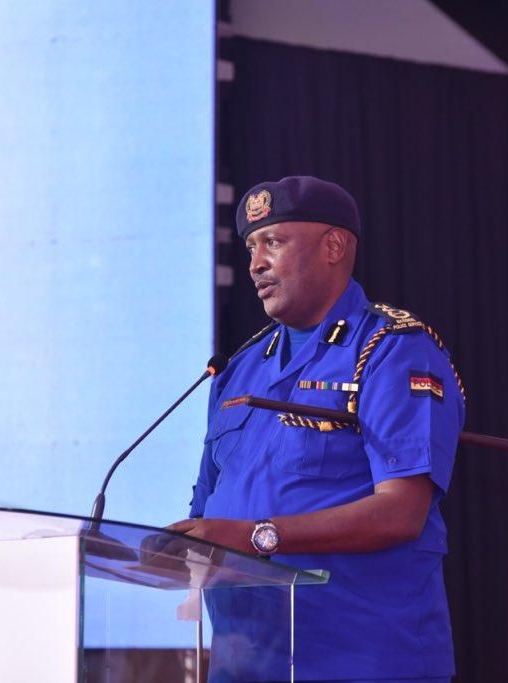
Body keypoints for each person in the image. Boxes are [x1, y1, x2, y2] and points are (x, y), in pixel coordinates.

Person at [168, 176, 465, 682]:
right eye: (250, 247)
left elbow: (401, 511)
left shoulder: (391, 350)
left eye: (274, 242)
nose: (255, 263)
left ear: (333, 246)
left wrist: (253, 536)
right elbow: (210, 508)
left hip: (360, 660)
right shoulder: (237, 370)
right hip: (248, 662)